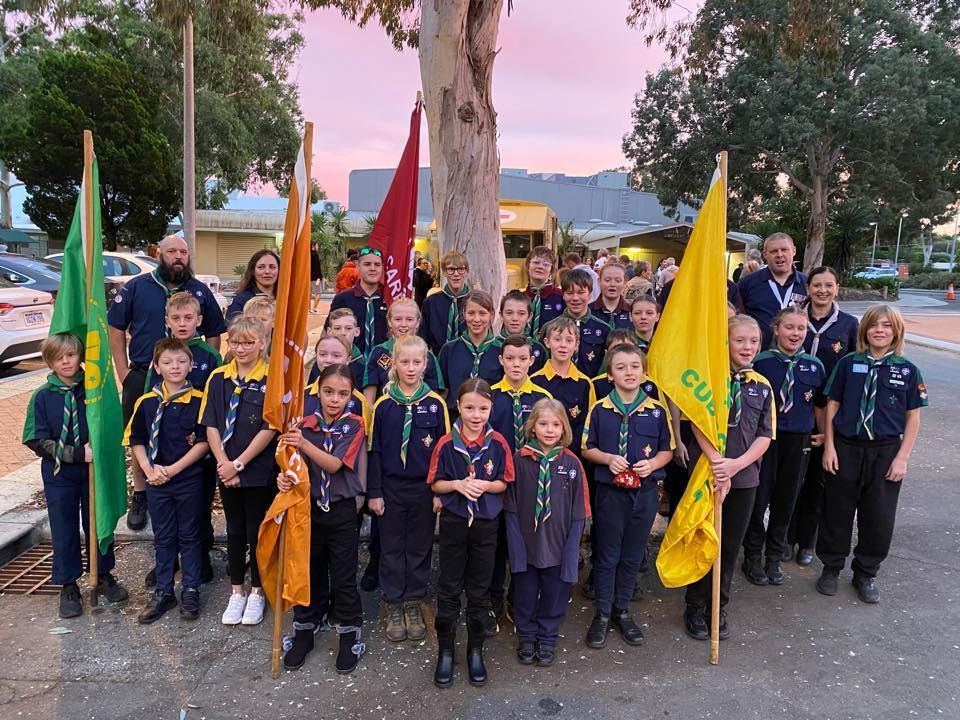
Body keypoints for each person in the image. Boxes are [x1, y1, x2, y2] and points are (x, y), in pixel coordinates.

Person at [108, 235, 225, 532]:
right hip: (143, 373)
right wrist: (123, 372)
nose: (178, 256)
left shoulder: (198, 290)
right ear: (159, 253)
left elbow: (214, 329)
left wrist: (206, 357)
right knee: (142, 435)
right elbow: (116, 327)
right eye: (171, 250)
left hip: (190, 379)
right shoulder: (137, 286)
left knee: (187, 436)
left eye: (183, 252)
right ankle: (142, 493)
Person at [817, 305, 927, 604]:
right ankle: (831, 566)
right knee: (836, 511)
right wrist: (829, 446)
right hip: (846, 448)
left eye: (887, 326)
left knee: (878, 517)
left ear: (896, 332)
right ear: (864, 330)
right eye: (874, 325)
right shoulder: (849, 363)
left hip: (885, 451)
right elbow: (832, 406)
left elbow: (913, 417)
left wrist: (902, 457)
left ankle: (866, 572)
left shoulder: (906, 369)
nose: (880, 330)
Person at [22, 334, 128, 619]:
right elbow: (35, 439)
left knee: (98, 521)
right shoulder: (43, 397)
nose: (66, 362)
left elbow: (108, 422)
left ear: (80, 356)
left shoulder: (94, 391)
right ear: (50, 363)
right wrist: (75, 454)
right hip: (61, 474)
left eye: (71, 355)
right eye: (59, 358)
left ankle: (103, 572)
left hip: (94, 471)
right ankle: (68, 584)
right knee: (64, 527)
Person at [683, 314, 774, 642]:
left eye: (754, 342)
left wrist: (735, 466)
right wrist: (717, 462)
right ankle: (694, 604)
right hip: (706, 473)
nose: (747, 347)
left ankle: (717, 605)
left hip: (744, 476)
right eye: (740, 340)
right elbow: (695, 421)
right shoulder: (709, 380)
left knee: (728, 545)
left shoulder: (763, 387)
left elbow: (765, 435)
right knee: (702, 540)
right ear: (726, 343)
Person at [582, 343, 674, 649]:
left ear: (645, 372)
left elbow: (667, 450)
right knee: (607, 555)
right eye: (620, 367)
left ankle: (622, 610)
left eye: (635, 366)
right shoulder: (599, 409)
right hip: (610, 494)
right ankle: (602, 613)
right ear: (610, 375)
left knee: (632, 555)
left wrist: (654, 464)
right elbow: (586, 447)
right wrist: (607, 459)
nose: (629, 372)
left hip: (644, 494)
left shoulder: (657, 411)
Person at [279, 363, 368, 674]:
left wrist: (303, 443)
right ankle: (305, 626)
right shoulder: (302, 424)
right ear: (317, 391)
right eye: (328, 392)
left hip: (342, 511)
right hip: (309, 509)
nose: (334, 399)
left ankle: (349, 632)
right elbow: (293, 467)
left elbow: (333, 465)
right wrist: (285, 479)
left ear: (350, 396)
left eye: (342, 394)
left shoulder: (354, 425)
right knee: (308, 569)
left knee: (343, 576)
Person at [428, 379, 514, 688]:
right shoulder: (446, 443)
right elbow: (436, 483)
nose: (476, 415)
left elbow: (504, 481)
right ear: (458, 407)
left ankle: (476, 650)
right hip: (453, 521)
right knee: (449, 587)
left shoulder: (499, 443)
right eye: (469, 407)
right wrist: (457, 485)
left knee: (479, 590)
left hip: (486, 523)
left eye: (483, 408)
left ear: (491, 408)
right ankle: (447, 651)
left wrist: (486, 485)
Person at [368, 336, 450, 644]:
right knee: (391, 545)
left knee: (419, 545)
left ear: (426, 364)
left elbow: (443, 451)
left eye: (417, 362)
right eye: (405, 362)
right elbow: (374, 451)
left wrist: (440, 491)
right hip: (390, 487)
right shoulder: (383, 405)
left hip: (424, 488)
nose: (411, 368)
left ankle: (414, 601)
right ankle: (393, 601)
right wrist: (374, 491)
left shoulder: (435, 404)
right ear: (394, 364)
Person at [200, 317, 278, 627]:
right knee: (233, 530)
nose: (241, 348)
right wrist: (223, 463)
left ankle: (258, 590)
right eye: (235, 342)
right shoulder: (218, 378)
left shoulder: (272, 378)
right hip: (226, 467)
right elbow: (211, 424)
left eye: (248, 342)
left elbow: (270, 426)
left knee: (256, 529)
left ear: (262, 343)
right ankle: (237, 590)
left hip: (257, 468)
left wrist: (239, 463)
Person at [125, 338, 209, 623]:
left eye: (181, 361)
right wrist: (148, 470)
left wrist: (173, 469)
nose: (175, 367)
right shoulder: (147, 402)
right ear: (156, 367)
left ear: (190, 365)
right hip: (156, 481)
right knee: (163, 537)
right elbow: (136, 439)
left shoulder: (199, 400)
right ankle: (163, 591)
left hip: (188, 480)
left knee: (190, 535)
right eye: (168, 362)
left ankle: (190, 588)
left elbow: (203, 442)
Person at [143, 291, 223, 587]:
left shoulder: (209, 356)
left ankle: (200, 555)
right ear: (167, 321)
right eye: (175, 318)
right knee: (166, 511)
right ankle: (168, 560)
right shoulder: (161, 352)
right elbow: (151, 398)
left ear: (199, 320)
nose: (182, 323)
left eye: (188, 318)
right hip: (166, 442)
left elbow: (216, 399)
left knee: (198, 504)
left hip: (198, 443)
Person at [743, 307, 826, 586]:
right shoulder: (761, 362)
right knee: (758, 498)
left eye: (801, 328)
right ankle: (753, 556)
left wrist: (824, 433)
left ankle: (774, 556)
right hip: (765, 440)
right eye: (789, 327)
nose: (795, 333)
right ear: (776, 330)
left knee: (786, 500)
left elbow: (819, 405)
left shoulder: (814, 365)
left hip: (798, 440)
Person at [506, 398, 587, 666]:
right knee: (525, 592)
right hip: (527, 542)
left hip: (558, 542)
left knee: (555, 593)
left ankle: (548, 636)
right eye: (543, 424)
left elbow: (578, 512)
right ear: (532, 427)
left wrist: (572, 548)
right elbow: (511, 507)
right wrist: (515, 548)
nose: (550, 430)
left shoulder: (572, 464)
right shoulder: (520, 460)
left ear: (564, 428)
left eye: (556, 424)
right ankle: (527, 635)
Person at [790, 267, 859, 565]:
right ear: (808, 288)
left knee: (818, 481)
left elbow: (854, 370)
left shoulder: (849, 325)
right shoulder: (793, 318)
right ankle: (784, 538)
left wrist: (831, 424)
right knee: (791, 480)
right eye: (816, 284)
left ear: (836, 288)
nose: (821, 290)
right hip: (794, 410)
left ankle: (807, 541)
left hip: (830, 412)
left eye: (828, 285)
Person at [488, 334, 553, 625]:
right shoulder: (489, 396)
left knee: (524, 541)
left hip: (529, 482)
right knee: (495, 542)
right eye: (510, 359)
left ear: (532, 360)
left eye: (522, 359)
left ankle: (519, 598)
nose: (516, 364)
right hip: (496, 481)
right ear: (501, 360)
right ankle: (492, 599)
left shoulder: (543, 398)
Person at [530, 316, 596, 458]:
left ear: (577, 345)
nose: (563, 345)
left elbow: (588, 427)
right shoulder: (534, 381)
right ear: (547, 343)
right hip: (539, 457)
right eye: (557, 339)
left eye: (569, 340)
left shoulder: (585, 384)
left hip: (573, 459)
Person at [363, 298, 444, 404]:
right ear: (389, 322)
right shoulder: (378, 352)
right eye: (398, 319)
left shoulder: (426, 355)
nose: (403, 324)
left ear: (418, 322)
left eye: (410, 319)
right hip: (387, 414)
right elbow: (369, 398)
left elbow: (434, 397)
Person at [738, 232, 808, 348]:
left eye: (784, 250)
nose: (779, 255)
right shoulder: (748, 283)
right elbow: (737, 319)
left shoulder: (807, 284)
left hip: (797, 358)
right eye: (774, 251)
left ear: (794, 251)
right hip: (756, 357)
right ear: (765, 254)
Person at [438, 290, 504, 412]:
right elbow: (443, 391)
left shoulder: (502, 351)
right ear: (464, 313)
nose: (476, 319)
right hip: (455, 417)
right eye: (471, 313)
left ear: (492, 315)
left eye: (482, 313)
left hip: (490, 417)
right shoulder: (449, 350)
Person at [330, 247, 388, 360]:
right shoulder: (343, 298)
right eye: (367, 264)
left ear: (382, 268)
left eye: (377, 265)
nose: (372, 268)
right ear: (358, 267)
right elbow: (329, 332)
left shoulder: (390, 298)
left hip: (384, 366)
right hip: (351, 364)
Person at [561, 268, 609, 379]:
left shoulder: (604, 329)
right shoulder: (550, 328)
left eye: (581, 292)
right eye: (569, 293)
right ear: (563, 295)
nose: (575, 298)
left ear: (590, 294)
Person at [420, 250, 470, 356]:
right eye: (451, 269)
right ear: (444, 272)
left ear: (466, 272)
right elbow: (423, 338)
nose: (456, 274)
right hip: (438, 360)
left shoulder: (476, 301)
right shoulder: (431, 302)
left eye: (461, 269)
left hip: (469, 360)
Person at [311, 308, 365, 388]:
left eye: (348, 328)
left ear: (357, 331)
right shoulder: (322, 361)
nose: (343, 333)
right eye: (337, 328)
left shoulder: (363, 364)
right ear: (329, 331)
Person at [498, 290, 547, 374]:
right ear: (501, 315)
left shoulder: (538, 349)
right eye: (509, 313)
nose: (515, 318)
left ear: (529, 316)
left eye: (521, 313)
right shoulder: (490, 347)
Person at [522, 246, 565, 338]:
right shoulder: (519, 298)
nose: (540, 267)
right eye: (536, 262)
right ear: (527, 265)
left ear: (551, 270)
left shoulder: (561, 297)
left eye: (546, 264)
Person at [225, 249, 279, 321]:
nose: (267, 271)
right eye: (261, 267)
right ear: (252, 271)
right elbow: (233, 328)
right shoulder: (241, 300)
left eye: (272, 267)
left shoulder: (285, 298)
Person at [590, 263, 632, 331]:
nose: (612, 284)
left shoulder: (632, 312)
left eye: (618, 281)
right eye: (607, 280)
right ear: (599, 282)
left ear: (625, 283)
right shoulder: (587, 312)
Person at [310, 241, 323, 315]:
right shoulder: (315, 255)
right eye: (317, 246)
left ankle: (309, 308)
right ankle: (314, 308)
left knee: (309, 294)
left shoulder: (307, 254)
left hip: (308, 277)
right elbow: (317, 267)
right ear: (313, 246)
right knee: (318, 293)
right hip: (315, 277)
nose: (318, 247)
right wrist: (319, 277)